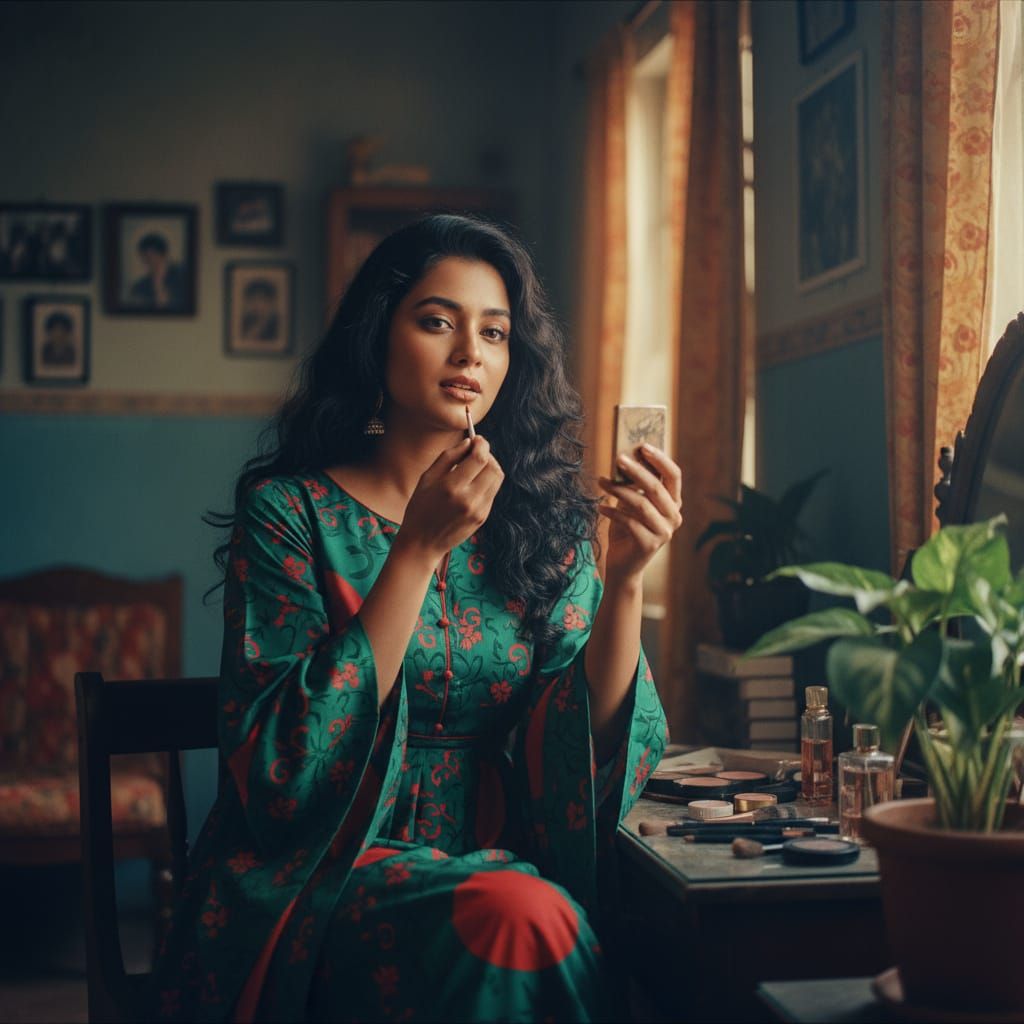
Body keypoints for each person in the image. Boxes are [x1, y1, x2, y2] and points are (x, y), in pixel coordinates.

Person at [152, 214, 680, 1023]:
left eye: (495, 333)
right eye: (438, 321)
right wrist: (416, 552)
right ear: (378, 337)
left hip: (494, 853)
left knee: (539, 913)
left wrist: (629, 579)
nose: (471, 352)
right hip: (319, 873)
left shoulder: (543, 526)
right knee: (518, 919)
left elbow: (578, 735)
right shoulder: (292, 512)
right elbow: (279, 768)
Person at [127, 231, 186, 309]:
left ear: (164, 255)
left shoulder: (183, 276)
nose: (148, 262)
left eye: (152, 256)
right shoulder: (140, 286)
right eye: (145, 258)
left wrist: (159, 284)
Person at [239, 277, 280, 342]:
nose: (257, 305)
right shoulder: (246, 321)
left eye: (261, 299)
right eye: (253, 299)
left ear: (271, 301)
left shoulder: (277, 323)